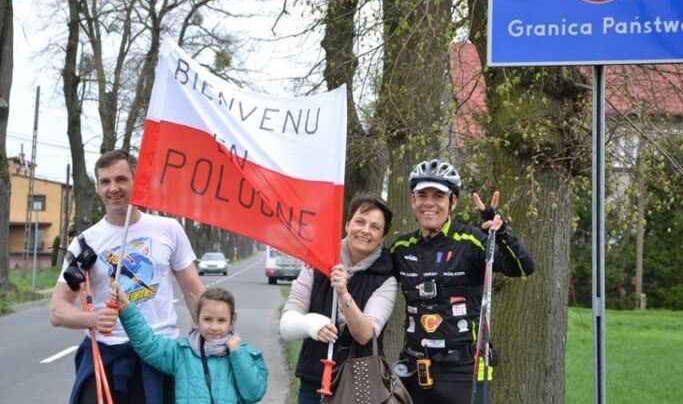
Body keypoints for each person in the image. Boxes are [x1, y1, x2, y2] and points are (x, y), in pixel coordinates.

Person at [49, 149, 206, 404]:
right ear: (98, 187)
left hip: (159, 353)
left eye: (121, 179)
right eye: (105, 181)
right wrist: (93, 319)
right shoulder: (84, 243)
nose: (113, 188)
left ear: (136, 181)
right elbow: (57, 310)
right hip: (105, 356)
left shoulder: (168, 230)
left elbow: (194, 292)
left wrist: (211, 344)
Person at [389, 159, 535, 404]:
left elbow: (522, 268)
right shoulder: (401, 248)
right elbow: (371, 278)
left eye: (438, 196)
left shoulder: (470, 240)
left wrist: (501, 234)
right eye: (422, 195)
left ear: (453, 202)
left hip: (465, 370)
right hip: (414, 368)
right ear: (413, 200)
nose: (429, 203)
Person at [279, 195, 398, 404]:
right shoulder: (316, 260)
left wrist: (343, 293)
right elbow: (287, 324)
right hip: (314, 381)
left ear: (382, 237)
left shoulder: (386, 278)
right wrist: (310, 324)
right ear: (347, 224)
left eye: (375, 227)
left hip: (360, 387)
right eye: (360, 222)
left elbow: (365, 335)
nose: (365, 230)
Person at [110, 284, 268, 403]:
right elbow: (148, 344)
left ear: (232, 321)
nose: (214, 327)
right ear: (197, 319)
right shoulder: (181, 353)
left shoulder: (245, 355)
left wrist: (238, 354)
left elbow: (253, 394)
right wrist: (126, 308)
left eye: (221, 320)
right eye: (207, 319)